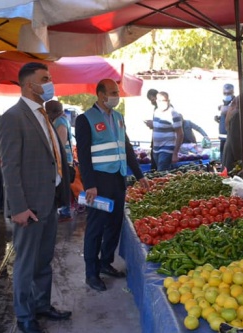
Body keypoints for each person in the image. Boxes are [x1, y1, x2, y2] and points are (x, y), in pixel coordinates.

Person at [0, 62, 72, 333]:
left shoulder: (44, 116)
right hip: (28, 207)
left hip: (48, 201)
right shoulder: (13, 117)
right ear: (30, 85)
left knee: (43, 260)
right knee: (26, 264)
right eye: (45, 78)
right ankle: (25, 316)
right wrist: (17, 207)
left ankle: (42, 305)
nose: (50, 83)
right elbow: (10, 167)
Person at [76, 78, 149, 292]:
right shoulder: (85, 119)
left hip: (118, 178)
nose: (116, 96)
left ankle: (105, 262)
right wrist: (89, 184)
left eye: (117, 92)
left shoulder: (118, 117)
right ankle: (91, 273)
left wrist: (139, 175)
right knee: (96, 227)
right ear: (100, 94)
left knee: (115, 223)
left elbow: (126, 147)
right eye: (112, 92)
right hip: (98, 182)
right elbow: (83, 155)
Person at [46, 100, 74, 220]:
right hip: (61, 159)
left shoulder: (61, 122)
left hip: (64, 160)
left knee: (63, 186)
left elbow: (60, 144)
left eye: (48, 112)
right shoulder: (58, 121)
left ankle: (65, 211)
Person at [222, 94, 243, 172]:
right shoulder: (238, 115)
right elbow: (235, 139)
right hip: (235, 155)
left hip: (239, 153)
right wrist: (240, 161)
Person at [150, 91, 184, 171]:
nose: (162, 103)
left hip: (167, 149)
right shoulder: (156, 111)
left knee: (162, 173)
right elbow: (158, 127)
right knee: (159, 174)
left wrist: (175, 153)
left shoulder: (173, 114)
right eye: (159, 101)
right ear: (156, 101)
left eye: (164, 100)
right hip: (156, 149)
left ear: (168, 101)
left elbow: (180, 134)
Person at [215, 83, 234, 158]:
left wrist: (221, 107)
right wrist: (219, 119)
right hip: (222, 136)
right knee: (222, 157)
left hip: (230, 136)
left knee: (228, 157)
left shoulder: (235, 102)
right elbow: (225, 116)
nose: (226, 95)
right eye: (225, 93)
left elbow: (226, 110)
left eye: (228, 93)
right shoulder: (224, 103)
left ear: (233, 92)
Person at [145, 89, 158, 171]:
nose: (151, 102)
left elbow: (168, 124)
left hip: (162, 145)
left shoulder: (168, 108)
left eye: (152, 99)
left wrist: (154, 124)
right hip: (156, 143)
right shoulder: (156, 109)